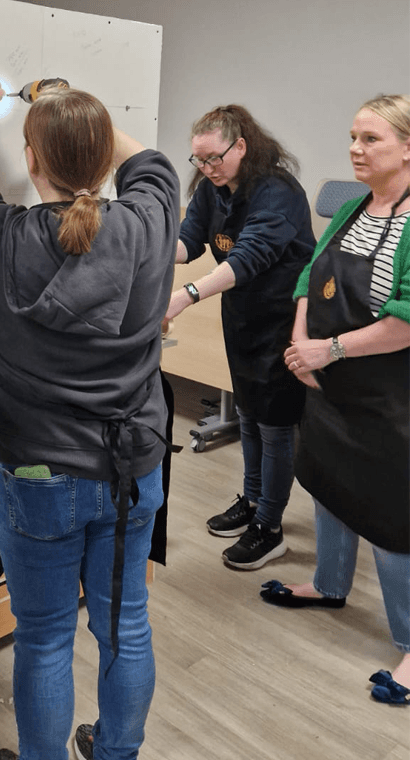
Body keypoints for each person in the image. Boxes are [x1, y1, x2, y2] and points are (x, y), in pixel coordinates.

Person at [0, 74, 180, 760]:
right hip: (131, 466)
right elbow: (149, 162)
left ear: (30, 159)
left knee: (45, 637)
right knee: (126, 625)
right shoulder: (148, 221)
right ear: (104, 159)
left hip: (37, 475)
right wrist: (71, 103)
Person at [261, 94, 410, 705]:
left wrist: (330, 350)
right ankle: (329, 584)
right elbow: (309, 277)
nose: (354, 149)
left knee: (393, 517)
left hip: (387, 396)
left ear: (408, 147)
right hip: (328, 386)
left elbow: (405, 318)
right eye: (353, 136)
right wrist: (301, 344)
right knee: (328, 483)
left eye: (371, 139)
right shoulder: (351, 208)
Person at [165, 105, 316, 570]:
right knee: (247, 413)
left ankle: (270, 527)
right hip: (242, 318)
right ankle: (252, 502)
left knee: (274, 424)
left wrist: (187, 295)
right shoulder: (211, 189)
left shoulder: (278, 192)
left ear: (242, 146)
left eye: (215, 158)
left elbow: (248, 257)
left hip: (282, 321)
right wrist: (143, 249)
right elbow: (190, 241)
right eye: (199, 160)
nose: (207, 168)